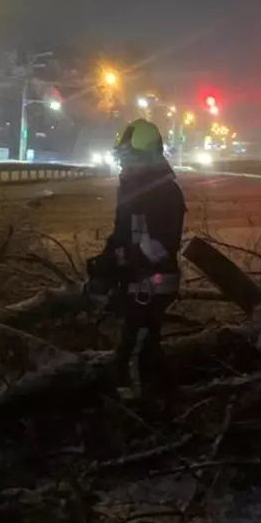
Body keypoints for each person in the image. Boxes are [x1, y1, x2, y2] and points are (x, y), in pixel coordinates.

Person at [87, 118, 186, 411]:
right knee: (146, 346)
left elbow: (159, 248)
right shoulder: (134, 189)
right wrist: (103, 269)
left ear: (148, 156)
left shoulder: (164, 193)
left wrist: (121, 264)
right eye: (122, 158)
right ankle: (167, 400)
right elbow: (121, 235)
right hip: (137, 281)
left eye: (129, 158)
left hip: (151, 284)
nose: (122, 166)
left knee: (134, 349)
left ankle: (139, 413)